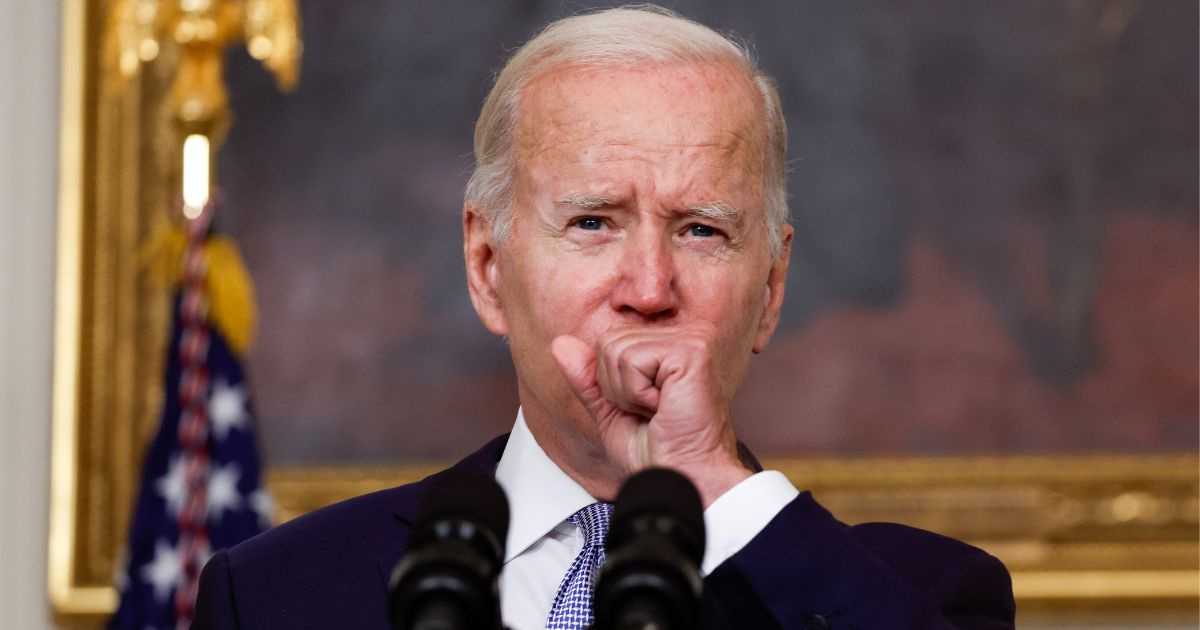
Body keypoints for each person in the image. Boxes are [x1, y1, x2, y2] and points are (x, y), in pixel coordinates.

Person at [193, 6, 1015, 629]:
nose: (649, 287)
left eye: (702, 229)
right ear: (487, 268)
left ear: (769, 291)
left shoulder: (925, 592)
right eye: (593, 222)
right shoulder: (275, 594)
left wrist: (710, 481)